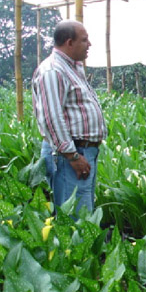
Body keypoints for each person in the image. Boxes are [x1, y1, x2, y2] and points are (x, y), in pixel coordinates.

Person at [32, 19, 107, 215]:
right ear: (69, 42)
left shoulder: (71, 68)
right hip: (69, 156)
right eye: (84, 40)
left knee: (83, 212)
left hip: (80, 152)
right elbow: (52, 118)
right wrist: (72, 156)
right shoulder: (53, 70)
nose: (89, 44)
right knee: (73, 218)